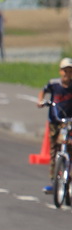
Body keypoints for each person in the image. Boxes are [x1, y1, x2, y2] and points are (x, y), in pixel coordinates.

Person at [37, 57, 72, 193]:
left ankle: (68, 179)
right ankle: (54, 181)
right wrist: (41, 101)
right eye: (65, 71)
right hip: (55, 122)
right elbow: (43, 91)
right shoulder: (54, 84)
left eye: (70, 71)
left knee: (69, 149)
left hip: (69, 123)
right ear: (60, 71)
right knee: (54, 152)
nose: (67, 74)